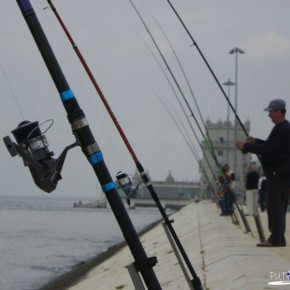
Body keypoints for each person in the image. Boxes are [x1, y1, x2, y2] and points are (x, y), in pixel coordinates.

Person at [236, 99, 290, 247]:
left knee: (275, 207)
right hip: (281, 175)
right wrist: (256, 142)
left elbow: (267, 150)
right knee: (279, 206)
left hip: (277, 175)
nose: (269, 115)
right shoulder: (283, 128)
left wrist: (246, 145)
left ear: (279, 111)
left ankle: (275, 238)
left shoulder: (283, 129)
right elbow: (270, 145)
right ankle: (279, 238)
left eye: (271, 112)